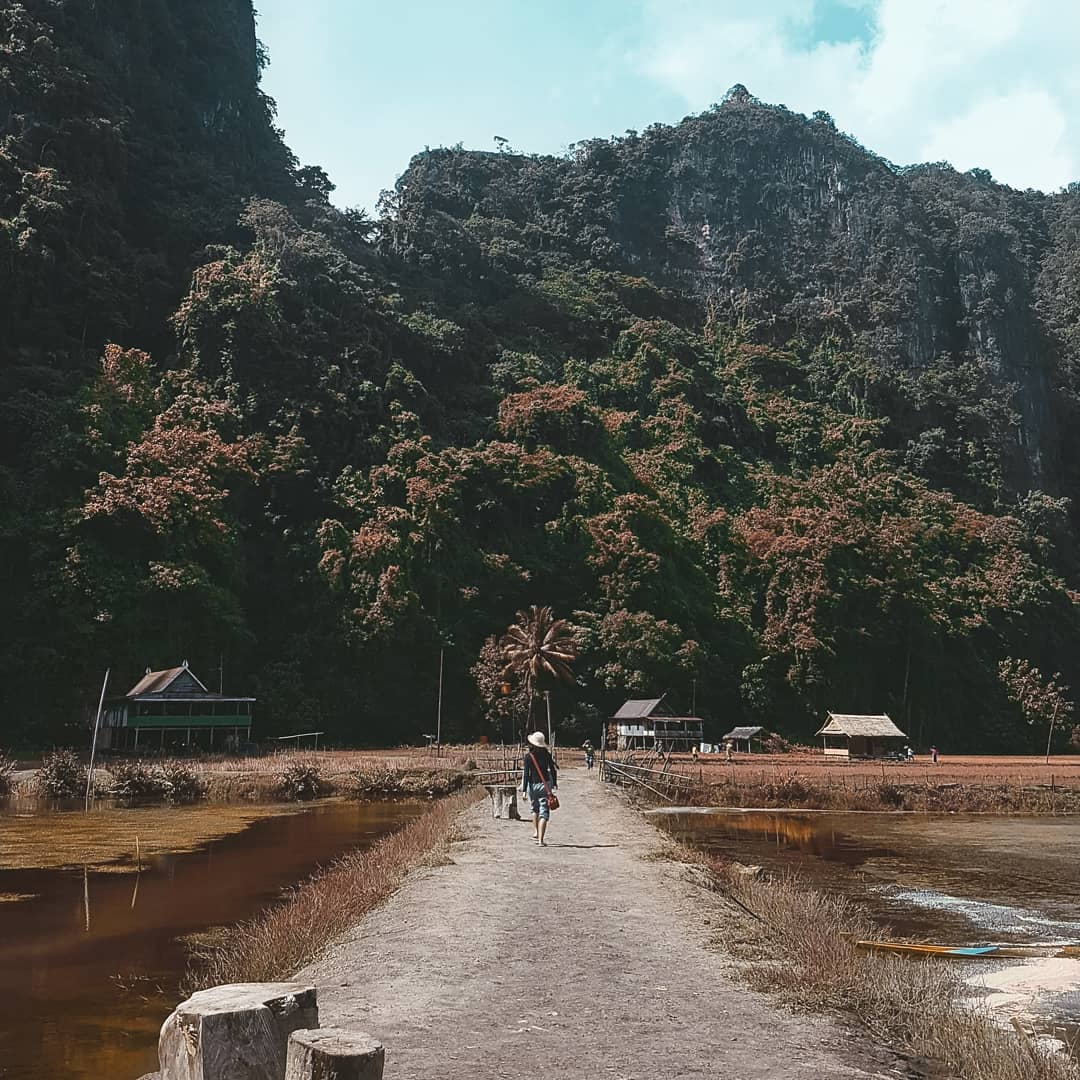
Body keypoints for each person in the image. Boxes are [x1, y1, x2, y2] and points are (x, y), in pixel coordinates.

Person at [522, 731, 558, 846]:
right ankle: (541, 841)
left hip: (532, 785)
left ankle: (536, 832)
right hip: (544, 785)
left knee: (535, 809)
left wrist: (524, 790)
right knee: (544, 812)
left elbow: (526, 774)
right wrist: (555, 783)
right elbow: (553, 770)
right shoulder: (546, 754)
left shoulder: (528, 756)